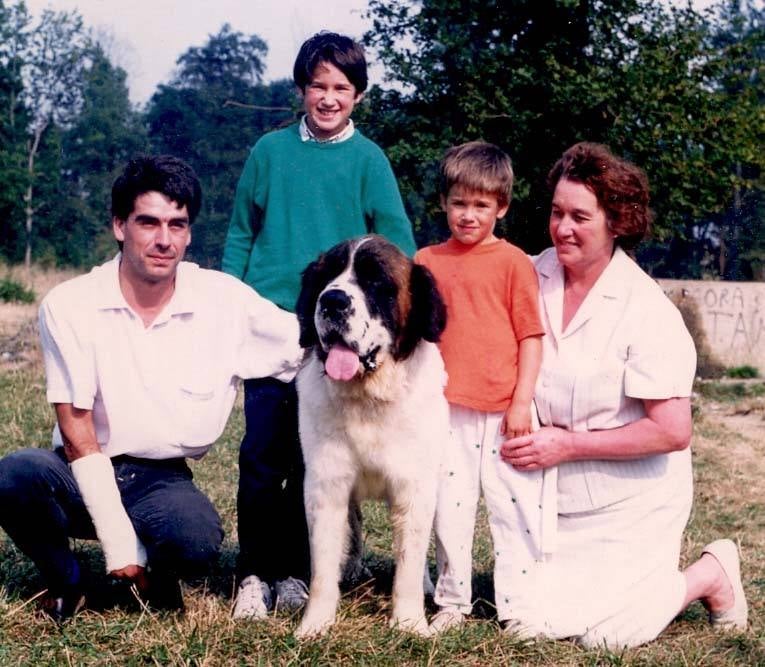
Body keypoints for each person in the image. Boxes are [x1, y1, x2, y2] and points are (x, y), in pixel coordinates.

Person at [0, 155, 304, 622]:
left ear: (189, 232)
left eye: (177, 225)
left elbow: (302, 345)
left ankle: (145, 574)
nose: (164, 240)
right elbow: (76, 425)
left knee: (196, 539)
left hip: (160, 477)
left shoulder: (223, 299)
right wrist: (119, 539)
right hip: (79, 470)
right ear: (120, 225)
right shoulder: (70, 304)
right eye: (149, 223)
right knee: (15, 475)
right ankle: (67, 578)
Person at [499, 142, 748, 647]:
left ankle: (711, 572)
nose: (562, 228)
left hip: (634, 502)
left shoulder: (646, 309)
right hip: (554, 502)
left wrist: (567, 444)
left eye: (580, 217)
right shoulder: (527, 275)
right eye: (556, 212)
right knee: (530, 627)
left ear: (617, 221)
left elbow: (673, 431)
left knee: (608, 637)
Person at [222, 31, 416, 620]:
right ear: (302, 89)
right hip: (271, 321)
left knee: (314, 462)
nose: (328, 98)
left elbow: (398, 245)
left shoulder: (369, 160)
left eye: (341, 88)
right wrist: (230, 303)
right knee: (261, 454)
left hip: (337, 329)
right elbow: (239, 233)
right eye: (318, 86)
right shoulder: (269, 152)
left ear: (357, 94)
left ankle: (301, 574)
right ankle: (254, 573)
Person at [414, 141, 545, 632]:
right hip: (445, 408)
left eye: (481, 206)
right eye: (459, 204)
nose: (468, 216)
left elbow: (531, 338)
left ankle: (519, 606)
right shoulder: (426, 259)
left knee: (514, 509)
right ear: (444, 203)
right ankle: (452, 600)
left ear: (501, 207)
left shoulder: (514, 263)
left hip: (505, 411)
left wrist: (521, 402)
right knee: (448, 507)